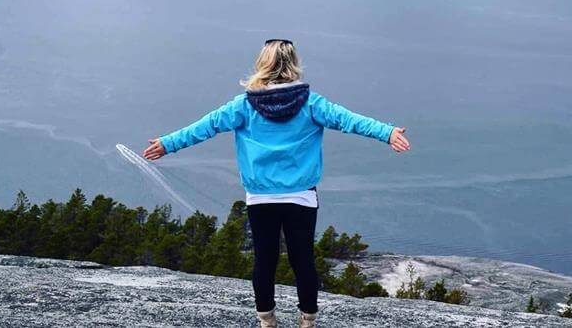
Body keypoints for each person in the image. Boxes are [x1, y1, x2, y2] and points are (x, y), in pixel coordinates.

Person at [144, 38, 410, 328]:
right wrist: (387, 132)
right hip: (301, 197)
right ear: (294, 65)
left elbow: (206, 126)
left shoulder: (245, 105)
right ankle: (307, 321)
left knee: (265, 261)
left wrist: (167, 144)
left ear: (263, 64)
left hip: (260, 197)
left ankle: (267, 321)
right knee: (303, 261)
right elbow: (349, 120)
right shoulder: (311, 104)